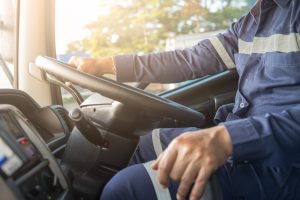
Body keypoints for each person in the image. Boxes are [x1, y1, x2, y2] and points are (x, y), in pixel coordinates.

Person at [69, 0, 300, 199]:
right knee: (145, 144)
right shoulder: (252, 22)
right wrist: (106, 65)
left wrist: (228, 138)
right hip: (241, 142)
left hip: (284, 162)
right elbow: (190, 60)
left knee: (126, 188)